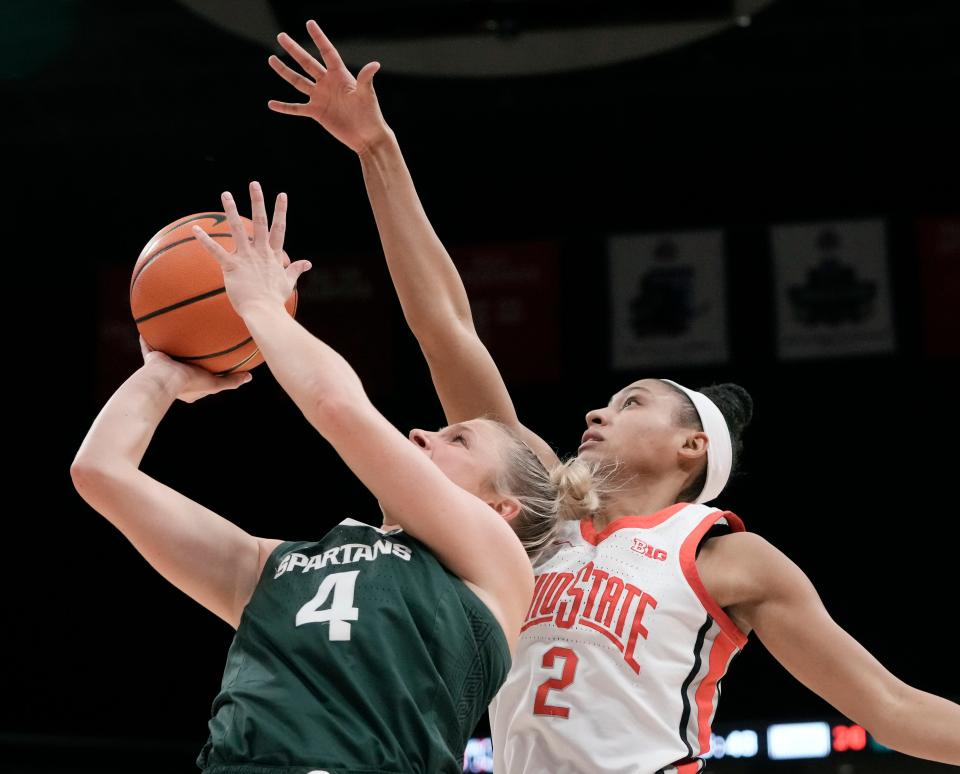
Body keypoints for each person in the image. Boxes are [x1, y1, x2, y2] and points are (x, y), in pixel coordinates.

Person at [265, 22, 960, 772]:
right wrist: (377, 149)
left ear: (691, 446)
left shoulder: (728, 559)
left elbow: (890, 707)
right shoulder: (532, 509)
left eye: (632, 404)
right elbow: (445, 327)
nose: (597, 412)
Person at [69, 183, 600, 773]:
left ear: (503, 507)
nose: (422, 433)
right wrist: (161, 377)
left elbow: (339, 408)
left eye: (459, 439)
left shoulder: (494, 567)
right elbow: (101, 473)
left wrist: (262, 306)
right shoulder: (272, 567)